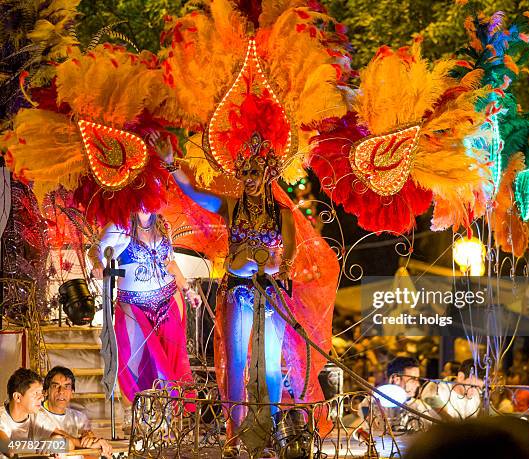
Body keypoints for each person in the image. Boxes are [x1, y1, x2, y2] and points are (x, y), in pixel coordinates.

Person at [163, 131, 338, 456]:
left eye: (258, 174)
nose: (252, 180)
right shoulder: (232, 206)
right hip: (236, 293)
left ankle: (266, 431)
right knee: (236, 363)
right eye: (247, 174)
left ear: (269, 175)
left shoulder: (283, 214)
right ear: (242, 176)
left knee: (271, 366)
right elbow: (196, 193)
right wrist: (172, 165)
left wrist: (273, 267)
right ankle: (233, 435)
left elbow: (288, 257)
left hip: (270, 296)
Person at [89, 210, 201, 429]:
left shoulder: (163, 225)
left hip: (167, 301)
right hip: (133, 305)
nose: (147, 204)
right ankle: (139, 416)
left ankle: (168, 421)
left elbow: (171, 265)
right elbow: (95, 249)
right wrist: (97, 264)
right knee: (135, 360)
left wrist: (188, 290)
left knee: (169, 362)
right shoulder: (120, 225)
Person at [0, 369, 79, 458]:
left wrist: (57, 441)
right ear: (18, 397)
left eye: (41, 393)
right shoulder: (2, 418)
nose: (41, 398)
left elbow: (70, 444)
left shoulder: (36, 415)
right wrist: (45, 444)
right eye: (36, 394)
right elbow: (8, 448)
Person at [38, 367, 112, 458]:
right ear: (46, 392)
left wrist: (92, 440)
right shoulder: (37, 414)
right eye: (55, 386)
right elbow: (56, 434)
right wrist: (88, 443)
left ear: (72, 393)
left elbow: (92, 454)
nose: (61, 392)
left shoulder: (80, 417)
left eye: (67, 386)